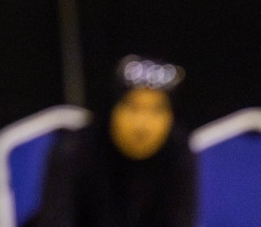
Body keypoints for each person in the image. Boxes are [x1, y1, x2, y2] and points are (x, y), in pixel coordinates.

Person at [31, 56, 197, 227]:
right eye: (133, 107)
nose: (143, 124)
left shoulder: (178, 151)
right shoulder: (73, 151)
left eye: (156, 110)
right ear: (112, 109)